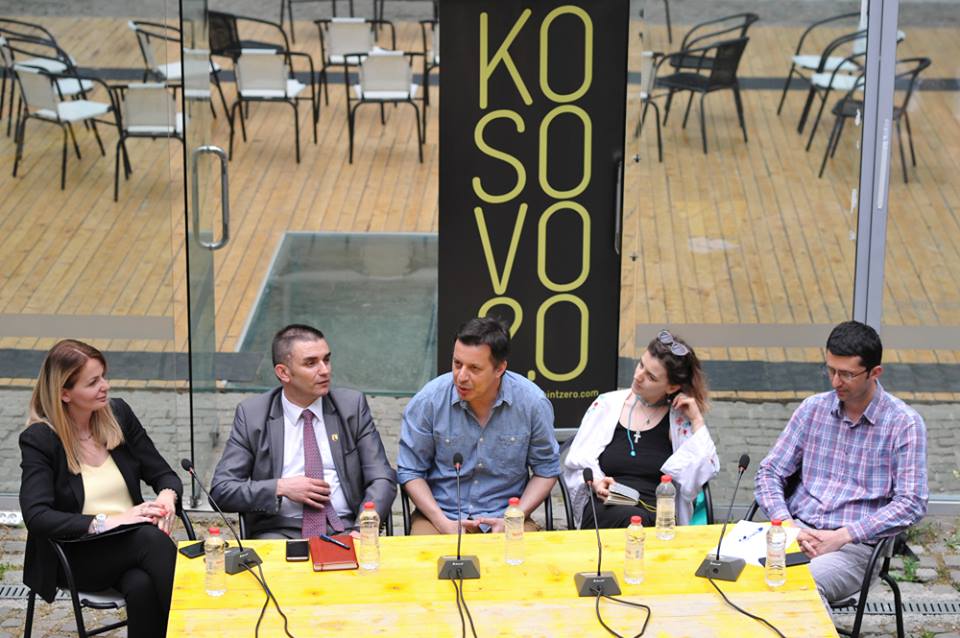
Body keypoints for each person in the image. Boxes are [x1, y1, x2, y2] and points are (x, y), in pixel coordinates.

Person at [755, 320, 928, 607]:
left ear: (875, 373)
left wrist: (844, 536)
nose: (835, 382)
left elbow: (912, 503)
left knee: (801, 588)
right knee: (728, 574)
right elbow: (769, 472)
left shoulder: (903, 423)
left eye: (847, 374)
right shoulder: (813, 409)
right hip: (795, 533)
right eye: (831, 370)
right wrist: (786, 523)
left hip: (853, 547)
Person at [19, 340, 181, 638]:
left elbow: (163, 474)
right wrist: (110, 521)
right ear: (64, 393)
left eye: (104, 376)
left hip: (130, 546)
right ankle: (200, 628)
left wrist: (167, 497)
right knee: (150, 538)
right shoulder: (40, 439)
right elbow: (37, 516)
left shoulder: (117, 415)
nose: (105, 386)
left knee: (141, 585)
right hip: (76, 552)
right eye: (93, 382)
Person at [210, 324, 397, 538]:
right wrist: (281, 487)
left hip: (346, 528)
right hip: (278, 531)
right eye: (311, 363)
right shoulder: (253, 415)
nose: (325, 370)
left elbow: (382, 477)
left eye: (326, 359)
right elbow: (222, 490)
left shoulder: (351, 407)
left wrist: (363, 527)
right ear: (283, 373)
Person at [397, 316, 560, 534]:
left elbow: (546, 469)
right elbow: (410, 470)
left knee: (522, 554)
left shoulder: (532, 403)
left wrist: (514, 517)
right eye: (457, 364)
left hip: (508, 516)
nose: (461, 377)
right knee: (426, 554)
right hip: (439, 516)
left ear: (499, 369)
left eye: (474, 368)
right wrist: (441, 521)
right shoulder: (429, 401)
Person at [563, 330, 719, 529]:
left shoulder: (678, 421)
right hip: (606, 507)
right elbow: (577, 462)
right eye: (641, 364)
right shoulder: (607, 405)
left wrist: (696, 419)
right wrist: (596, 481)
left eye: (651, 377)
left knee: (642, 523)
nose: (638, 376)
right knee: (634, 521)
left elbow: (702, 473)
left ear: (672, 387)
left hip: (656, 515)